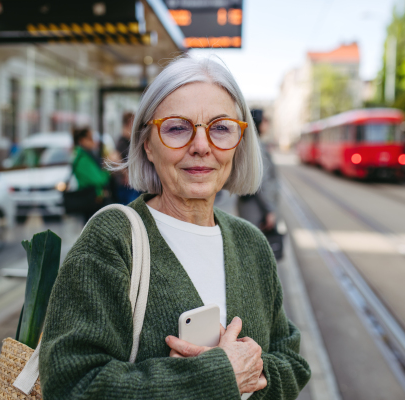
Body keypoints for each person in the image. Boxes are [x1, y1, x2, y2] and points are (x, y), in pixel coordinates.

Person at [40, 56, 311, 399]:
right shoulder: (112, 241)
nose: (201, 146)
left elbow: (292, 363)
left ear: (239, 143)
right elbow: (72, 385)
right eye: (177, 128)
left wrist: (251, 370)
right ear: (148, 145)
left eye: (221, 127)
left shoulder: (251, 243)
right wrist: (213, 377)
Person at [237, 109, 278, 231]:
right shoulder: (256, 147)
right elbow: (262, 181)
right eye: (265, 120)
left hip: (248, 206)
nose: (267, 123)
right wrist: (269, 210)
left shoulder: (249, 144)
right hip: (256, 208)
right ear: (257, 121)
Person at [71, 126, 110, 199]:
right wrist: (107, 168)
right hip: (91, 199)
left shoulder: (83, 155)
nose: (93, 141)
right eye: (90, 138)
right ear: (82, 140)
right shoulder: (83, 159)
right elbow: (99, 180)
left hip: (90, 197)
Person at [116, 112, 142, 203]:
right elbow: (115, 160)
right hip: (127, 185)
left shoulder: (128, 141)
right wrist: (126, 174)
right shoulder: (122, 143)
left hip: (132, 182)